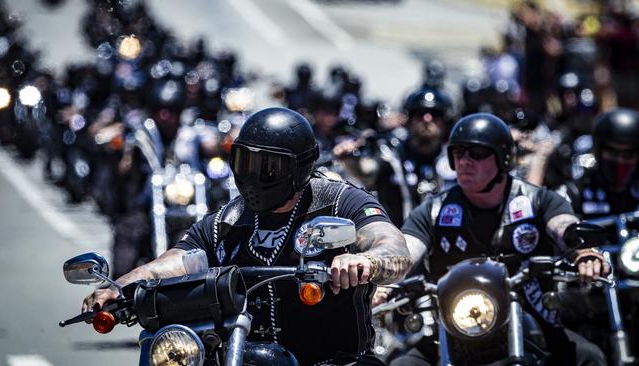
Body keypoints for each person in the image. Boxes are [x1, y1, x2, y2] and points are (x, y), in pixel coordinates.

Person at [82, 107, 412, 366]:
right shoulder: (229, 221)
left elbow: (391, 244)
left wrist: (364, 260)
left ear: (297, 169)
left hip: (334, 361)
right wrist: (121, 285)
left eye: (268, 167)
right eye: (245, 161)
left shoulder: (340, 202)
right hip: (242, 356)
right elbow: (177, 260)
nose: (254, 175)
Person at [391, 113, 609, 366]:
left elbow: (563, 226)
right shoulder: (434, 211)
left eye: (477, 153)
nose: (465, 162)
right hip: (456, 326)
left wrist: (584, 252)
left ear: (504, 157)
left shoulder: (538, 200)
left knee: (589, 357)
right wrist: (382, 276)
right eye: (458, 153)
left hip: (530, 319)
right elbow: (404, 250)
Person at [557, 107, 639, 354]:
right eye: (612, 152)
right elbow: (560, 226)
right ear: (598, 149)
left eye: (629, 154)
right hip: (591, 287)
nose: (620, 161)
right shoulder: (577, 190)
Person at [333, 87, 456, 228]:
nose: (427, 119)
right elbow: (367, 172)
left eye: (435, 114)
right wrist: (350, 161)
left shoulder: (456, 158)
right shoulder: (391, 153)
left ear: (446, 121)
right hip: (398, 241)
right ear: (408, 119)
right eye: (419, 114)